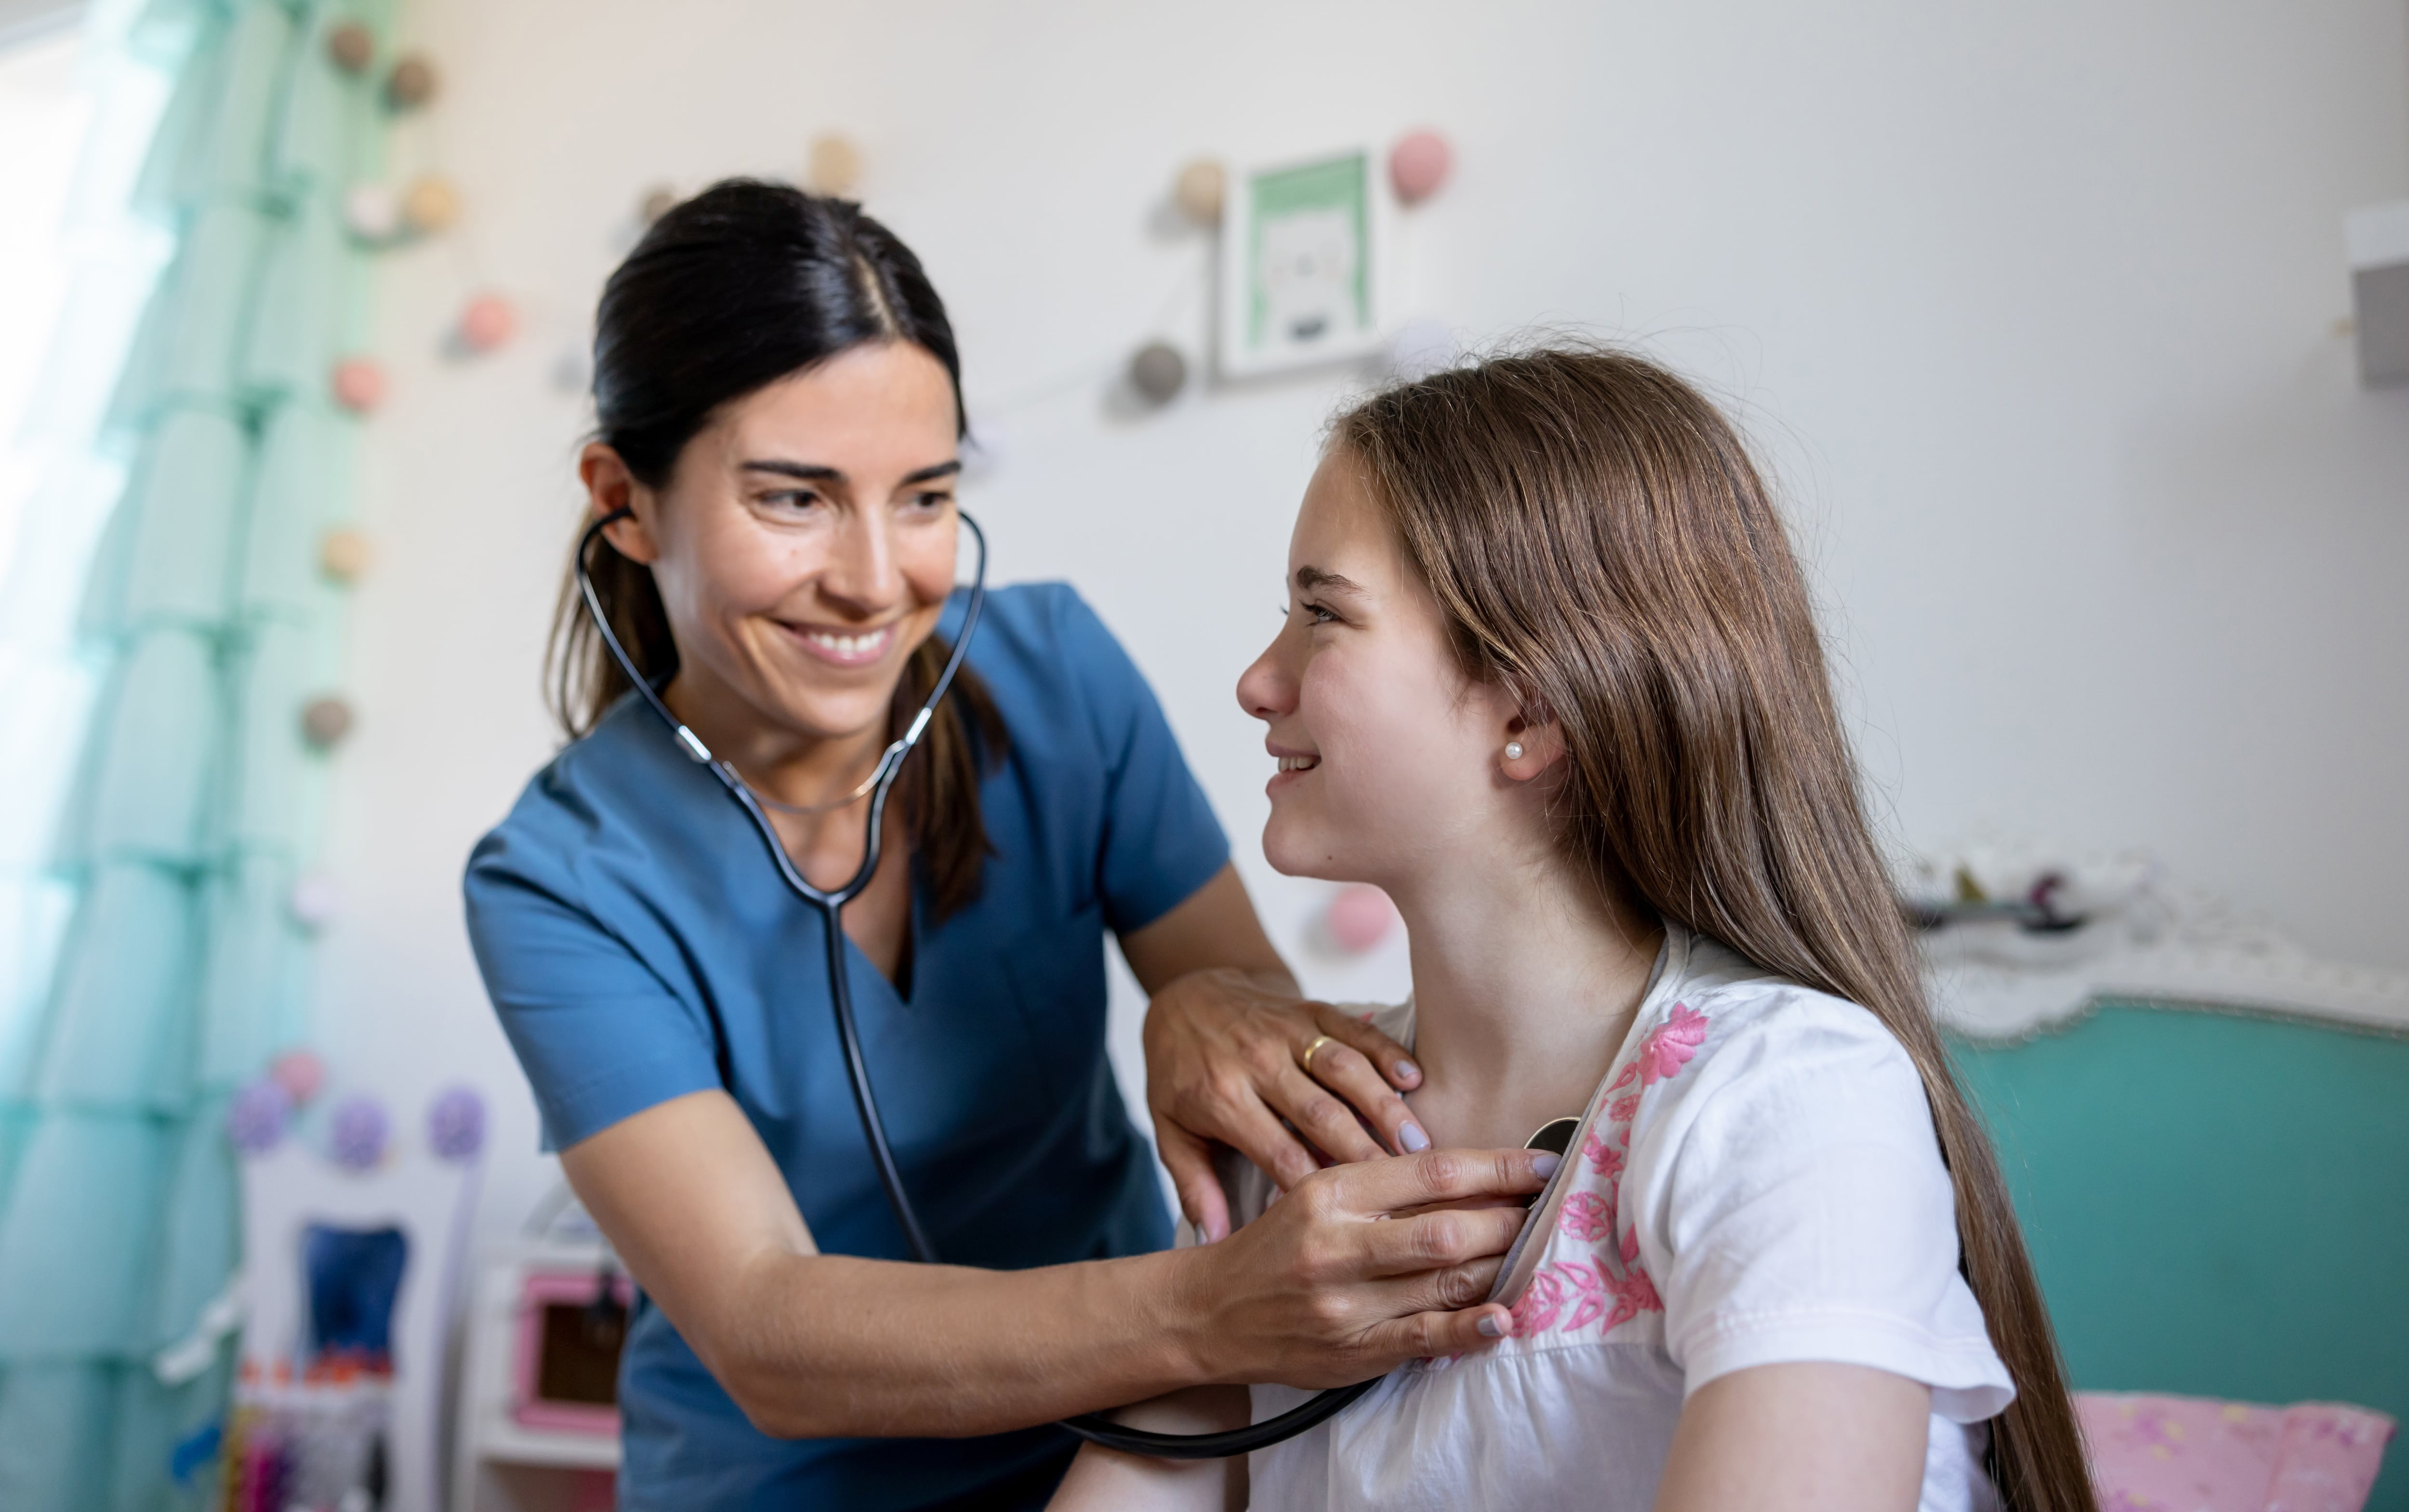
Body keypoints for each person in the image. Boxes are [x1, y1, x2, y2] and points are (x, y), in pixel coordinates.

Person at [461, 180, 1558, 1511]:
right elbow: (761, 1327)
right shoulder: (560, 879)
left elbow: (1273, 1042)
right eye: (795, 499)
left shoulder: (1056, 678)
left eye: (924, 495)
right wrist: (1212, 1311)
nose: (878, 579)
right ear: (623, 502)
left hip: (1131, 1447)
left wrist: (1202, 1009)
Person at [1048, 347, 2099, 1512]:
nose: (1257, 680)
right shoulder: (1303, 1130)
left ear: (1529, 711)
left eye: (1320, 615)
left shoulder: (1786, 1099)